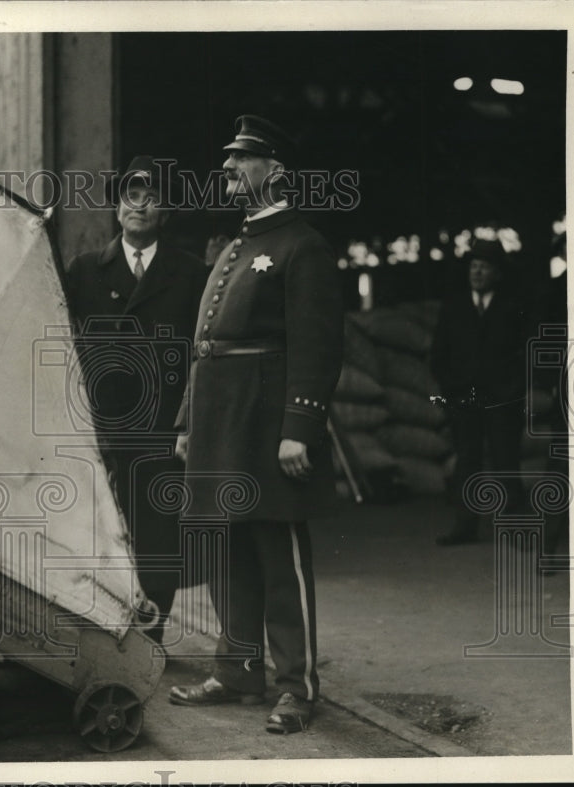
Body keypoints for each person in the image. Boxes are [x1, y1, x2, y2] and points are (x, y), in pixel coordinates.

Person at [167, 116, 343, 734]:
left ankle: (297, 686)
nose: (228, 168)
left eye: (242, 158)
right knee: (230, 552)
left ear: (276, 171)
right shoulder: (237, 246)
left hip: (268, 427)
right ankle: (238, 672)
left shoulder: (302, 245)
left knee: (279, 558)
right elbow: (205, 344)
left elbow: (318, 345)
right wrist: (188, 422)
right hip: (222, 424)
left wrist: (301, 426)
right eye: (229, 158)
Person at [63, 155, 208, 643]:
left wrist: (188, 422)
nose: (139, 205)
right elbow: (63, 342)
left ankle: (150, 639)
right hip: (103, 429)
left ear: (166, 211)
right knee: (100, 532)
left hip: (163, 429)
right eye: (131, 195)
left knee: (157, 536)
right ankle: (99, 634)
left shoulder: (190, 273)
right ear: (117, 207)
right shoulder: (85, 271)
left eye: (152, 197)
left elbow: (201, 353)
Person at [430, 237, 529, 546]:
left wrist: (513, 390)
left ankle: (515, 529)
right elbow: (438, 354)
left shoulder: (512, 307)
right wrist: (451, 391)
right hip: (465, 399)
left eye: (484, 267)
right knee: (467, 461)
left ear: (497, 273)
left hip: (503, 399)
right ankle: (465, 527)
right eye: (473, 266)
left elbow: (524, 353)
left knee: (506, 461)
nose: (477, 272)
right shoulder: (454, 307)